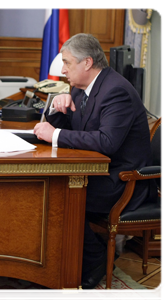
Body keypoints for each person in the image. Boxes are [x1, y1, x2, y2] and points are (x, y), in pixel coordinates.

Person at [34, 33, 157, 290]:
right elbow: (78, 130)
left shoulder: (116, 91)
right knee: (50, 191)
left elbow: (105, 142)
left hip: (122, 181)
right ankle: (65, 259)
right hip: (97, 172)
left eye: (67, 63)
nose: (63, 69)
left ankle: (95, 260)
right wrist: (58, 109)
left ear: (87, 63)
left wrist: (54, 134)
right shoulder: (81, 89)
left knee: (60, 196)